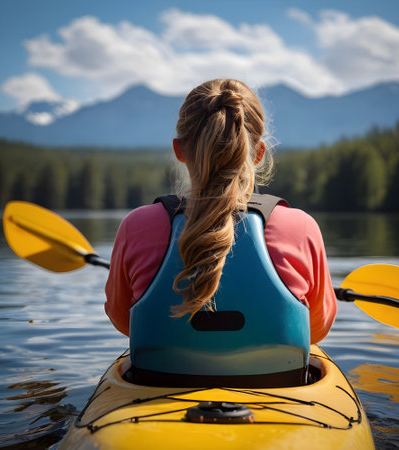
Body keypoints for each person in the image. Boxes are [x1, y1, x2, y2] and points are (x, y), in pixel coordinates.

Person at [105, 79, 337, 375]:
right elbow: (316, 329)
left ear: (179, 150)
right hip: (278, 385)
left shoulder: (136, 225)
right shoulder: (301, 227)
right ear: (258, 152)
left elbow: (123, 322)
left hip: (160, 385)